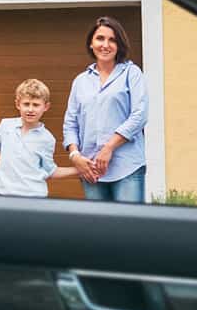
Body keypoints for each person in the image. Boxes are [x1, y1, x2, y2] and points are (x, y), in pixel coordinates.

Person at [63, 16, 149, 202]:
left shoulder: (131, 74)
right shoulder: (80, 81)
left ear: (119, 45)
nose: (105, 45)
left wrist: (109, 147)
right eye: (100, 38)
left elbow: (139, 115)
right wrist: (75, 155)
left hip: (127, 167)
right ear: (91, 44)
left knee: (128, 227)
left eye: (112, 40)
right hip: (91, 170)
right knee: (98, 229)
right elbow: (70, 123)